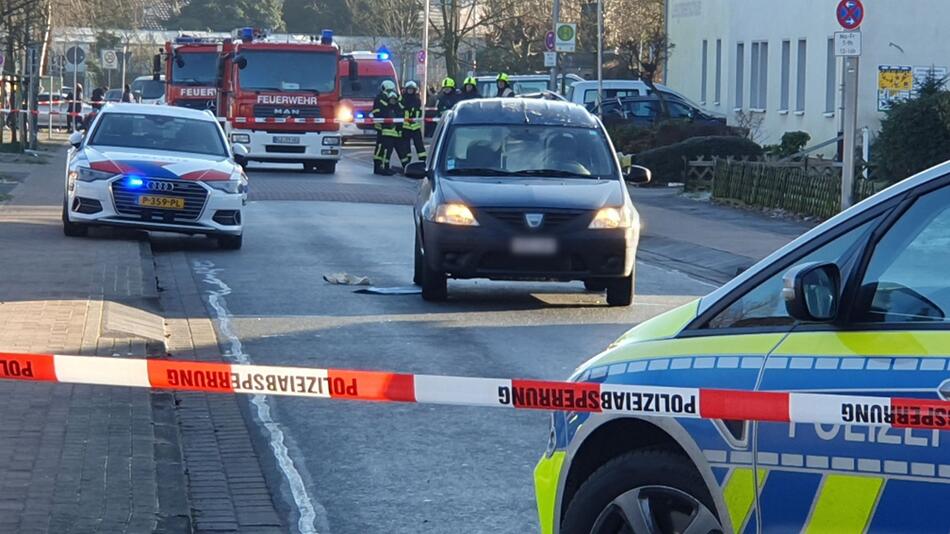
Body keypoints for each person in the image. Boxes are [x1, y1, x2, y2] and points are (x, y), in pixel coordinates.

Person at [371, 80, 398, 174]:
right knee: (383, 148)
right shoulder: (381, 98)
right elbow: (377, 112)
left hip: (384, 128)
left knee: (382, 148)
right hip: (383, 127)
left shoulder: (386, 97)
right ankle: (380, 167)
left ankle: (380, 167)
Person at [399, 81, 426, 167]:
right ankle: (407, 164)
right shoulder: (402, 99)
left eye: (412, 89)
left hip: (415, 126)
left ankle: (423, 162)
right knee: (405, 146)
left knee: (419, 145)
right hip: (405, 126)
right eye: (409, 89)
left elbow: (417, 111)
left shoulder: (417, 100)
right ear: (406, 90)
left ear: (414, 90)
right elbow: (400, 109)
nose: (410, 91)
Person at [377, 90, 404, 176]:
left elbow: (400, 121)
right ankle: (385, 167)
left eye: (394, 99)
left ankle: (404, 167)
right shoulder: (386, 109)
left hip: (396, 134)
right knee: (386, 152)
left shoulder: (398, 109)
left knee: (399, 152)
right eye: (391, 99)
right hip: (387, 134)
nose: (393, 101)